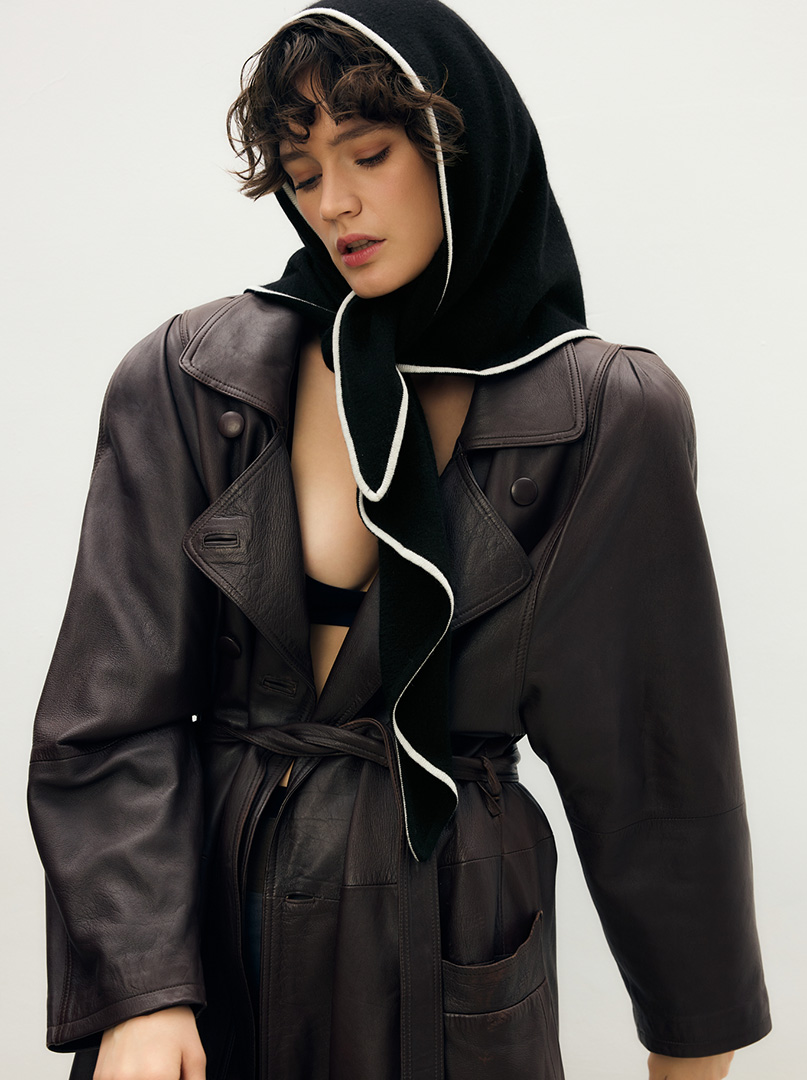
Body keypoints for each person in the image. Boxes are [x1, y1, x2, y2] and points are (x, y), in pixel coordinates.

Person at [27, 2, 771, 1078]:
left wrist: (693, 1056)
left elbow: (653, 775)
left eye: (368, 155)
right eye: (301, 172)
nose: (333, 203)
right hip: (207, 947)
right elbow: (107, 723)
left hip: (448, 940)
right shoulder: (191, 380)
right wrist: (141, 991)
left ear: (460, 147)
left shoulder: (603, 415)